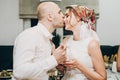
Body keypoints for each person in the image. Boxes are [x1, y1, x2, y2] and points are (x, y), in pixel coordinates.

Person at [12, 2, 67, 80]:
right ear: (50, 17)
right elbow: (19, 72)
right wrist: (54, 59)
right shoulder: (29, 36)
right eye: (59, 12)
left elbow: (39, 69)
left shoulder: (49, 42)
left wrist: (56, 66)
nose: (63, 15)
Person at [61, 5, 107, 80]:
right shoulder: (66, 40)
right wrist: (61, 67)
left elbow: (102, 78)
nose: (64, 19)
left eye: (67, 16)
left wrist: (78, 65)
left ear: (79, 17)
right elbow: (67, 72)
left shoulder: (92, 44)